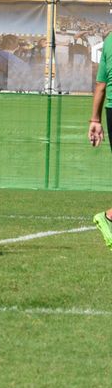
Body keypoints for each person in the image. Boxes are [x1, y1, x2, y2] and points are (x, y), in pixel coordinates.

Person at [89, 39, 112, 251]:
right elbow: (102, 85)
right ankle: (109, 218)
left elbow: (101, 85)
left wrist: (95, 120)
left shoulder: (109, 40)